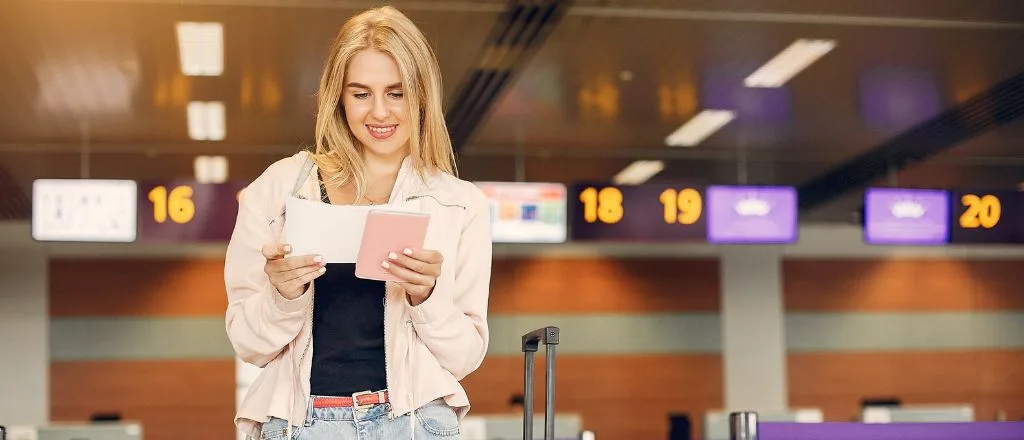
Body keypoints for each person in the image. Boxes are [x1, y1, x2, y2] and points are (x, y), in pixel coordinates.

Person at [223, 6, 492, 440]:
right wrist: (283, 295)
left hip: (415, 424)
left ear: (421, 96)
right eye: (361, 93)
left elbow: (465, 356)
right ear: (338, 96)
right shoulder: (277, 191)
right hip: (299, 425)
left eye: (397, 93)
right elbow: (248, 343)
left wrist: (427, 296)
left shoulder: (460, 205)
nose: (379, 112)